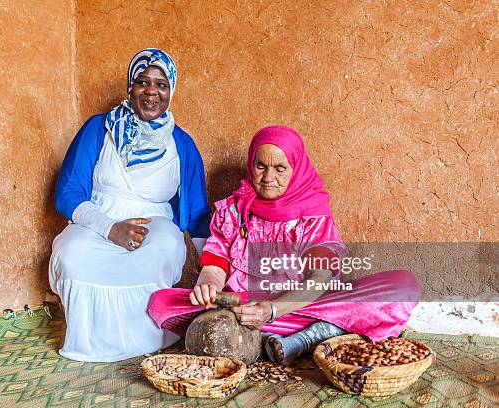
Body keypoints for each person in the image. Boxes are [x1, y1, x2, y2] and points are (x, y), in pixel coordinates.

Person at [148, 125, 420, 365]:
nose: (268, 178)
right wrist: (207, 286)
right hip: (242, 306)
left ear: (296, 169)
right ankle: (316, 333)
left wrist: (272, 310)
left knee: (401, 288)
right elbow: (216, 264)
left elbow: (320, 278)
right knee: (162, 302)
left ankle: (300, 331)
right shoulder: (234, 210)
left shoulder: (312, 214)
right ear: (250, 164)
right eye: (260, 166)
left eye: (280, 169)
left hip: (299, 304)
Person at [49, 49, 210, 362]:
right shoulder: (99, 129)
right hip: (97, 221)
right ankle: (86, 341)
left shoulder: (181, 144)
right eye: (142, 82)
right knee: (71, 251)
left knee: (166, 243)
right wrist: (110, 229)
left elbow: (199, 213)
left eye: (161, 84)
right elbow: (67, 192)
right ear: (130, 87)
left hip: (152, 226)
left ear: (171, 91)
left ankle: (149, 337)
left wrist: (212, 271)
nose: (151, 91)